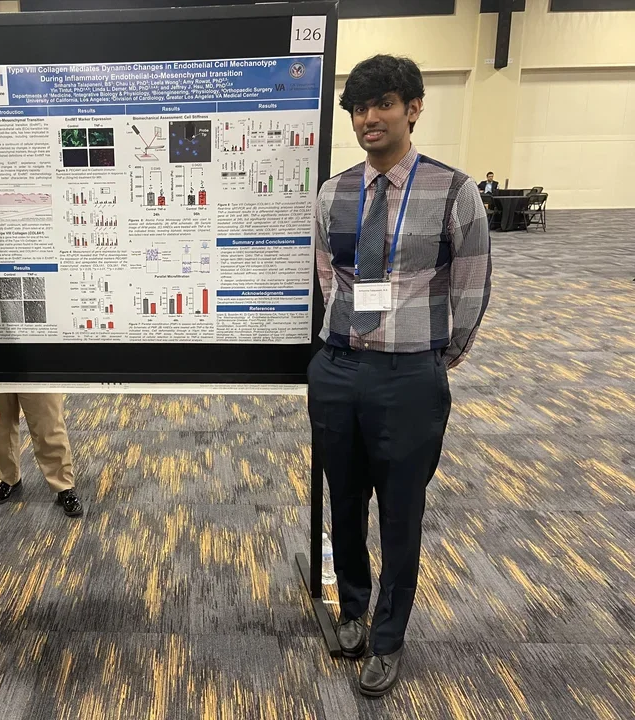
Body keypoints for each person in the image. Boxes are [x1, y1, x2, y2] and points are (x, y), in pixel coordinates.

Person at [308, 55, 491, 697]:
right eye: (358, 109)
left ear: (413, 107)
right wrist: (347, 345)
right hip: (338, 368)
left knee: (401, 511)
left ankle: (389, 638)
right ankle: (353, 612)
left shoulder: (452, 190)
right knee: (346, 501)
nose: (369, 119)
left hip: (410, 375)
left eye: (383, 103)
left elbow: (470, 288)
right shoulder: (334, 193)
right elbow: (332, 280)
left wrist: (434, 357)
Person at [0, 393, 83, 517]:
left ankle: (63, 485)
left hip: (36, 374)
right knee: (0, 426)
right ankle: (8, 478)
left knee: (48, 425)